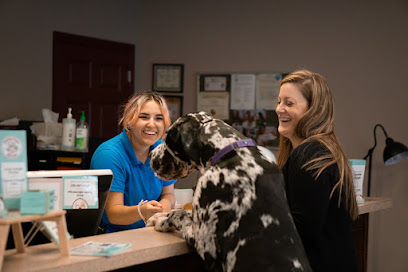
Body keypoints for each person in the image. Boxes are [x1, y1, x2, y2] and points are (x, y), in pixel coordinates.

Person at [275, 70, 358, 271]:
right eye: (279, 101)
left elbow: (302, 230)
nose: (279, 109)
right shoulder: (318, 150)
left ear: (317, 111)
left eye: (289, 103)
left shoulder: (310, 154)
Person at [91, 91, 176, 233]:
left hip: (151, 231)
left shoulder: (163, 151)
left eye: (159, 118)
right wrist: (142, 211)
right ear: (129, 121)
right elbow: (113, 214)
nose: (151, 124)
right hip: (114, 236)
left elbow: (169, 195)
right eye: (143, 117)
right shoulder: (109, 155)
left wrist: (162, 210)